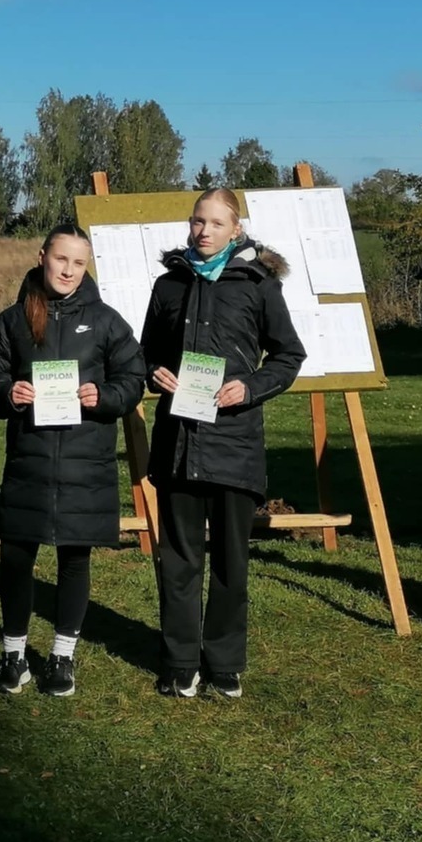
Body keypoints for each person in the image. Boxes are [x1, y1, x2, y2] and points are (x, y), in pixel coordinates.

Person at [141, 188, 306, 698]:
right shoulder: (169, 284)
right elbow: (146, 353)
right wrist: (154, 371)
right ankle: (179, 661)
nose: (204, 231)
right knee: (179, 559)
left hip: (234, 444)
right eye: (197, 221)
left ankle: (225, 662)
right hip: (178, 443)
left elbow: (288, 356)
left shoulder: (259, 285)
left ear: (236, 229)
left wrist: (249, 388)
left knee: (231, 563)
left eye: (215, 223)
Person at [0, 224, 145, 697]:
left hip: (85, 464)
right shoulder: (13, 319)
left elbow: (133, 378)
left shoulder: (107, 321)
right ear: (41, 257)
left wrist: (105, 396)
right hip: (29, 461)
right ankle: (13, 656)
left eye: (78, 262)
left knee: (75, 559)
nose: (68, 270)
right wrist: (8, 392)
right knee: (16, 559)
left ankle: (61, 657)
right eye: (61, 259)